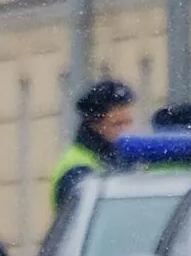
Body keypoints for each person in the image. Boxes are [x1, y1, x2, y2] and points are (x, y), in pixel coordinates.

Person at [51, 79, 136, 212]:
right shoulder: (77, 170)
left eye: (128, 123)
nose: (126, 131)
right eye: (118, 124)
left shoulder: (123, 158)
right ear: (96, 125)